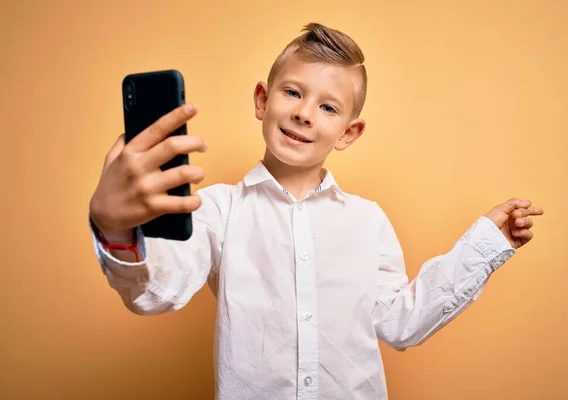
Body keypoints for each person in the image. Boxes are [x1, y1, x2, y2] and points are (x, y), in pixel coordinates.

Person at [88, 22, 544, 400]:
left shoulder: (368, 221)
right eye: (292, 93)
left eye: (328, 107)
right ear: (262, 101)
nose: (305, 113)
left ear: (348, 132)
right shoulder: (218, 210)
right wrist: (117, 229)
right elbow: (157, 292)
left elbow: (402, 323)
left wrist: (485, 245)